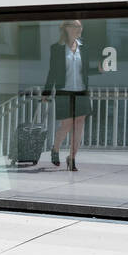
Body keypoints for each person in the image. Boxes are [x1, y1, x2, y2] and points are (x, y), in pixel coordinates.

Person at [42, 19, 91, 171]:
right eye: (76, 26)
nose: (79, 29)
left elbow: (86, 71)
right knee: (67, 123)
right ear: (67, 28)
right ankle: (55, 149)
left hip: (81, 91)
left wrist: (101, 69)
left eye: (80, 26)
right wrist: (46, 92)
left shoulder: (84, 48)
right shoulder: (57, 48)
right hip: (64, 91)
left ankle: (72, 157)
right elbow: (52, 72)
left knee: (79, 123)